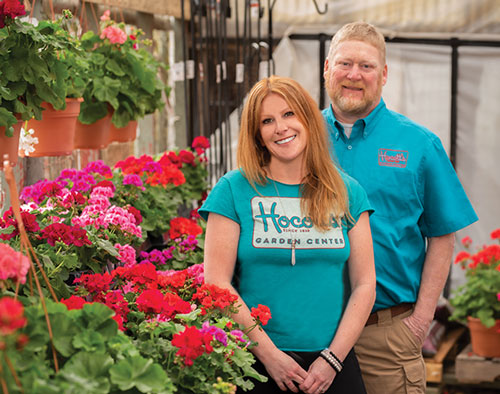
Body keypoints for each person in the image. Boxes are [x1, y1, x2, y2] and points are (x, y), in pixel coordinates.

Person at [322, 21, 478, 394]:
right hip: (312, 333)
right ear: (326, 68)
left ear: (385, 74)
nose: (354, 75)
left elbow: (442, 235)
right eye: (344, 64)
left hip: (385, 338)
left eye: (367, 66)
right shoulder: (299, 139)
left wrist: (421, 320)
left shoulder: (419, 145)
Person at [199, 76, 376, 394]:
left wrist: (332, 359)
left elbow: (365, 285)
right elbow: (216, 283)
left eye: (289, 114)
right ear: (257, 135)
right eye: (267, 121)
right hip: (256, 365)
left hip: (333, 363)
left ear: (308, 118)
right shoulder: (233, 190)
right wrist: (269, 356)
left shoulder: (347, 191)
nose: (281, 127)